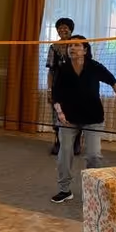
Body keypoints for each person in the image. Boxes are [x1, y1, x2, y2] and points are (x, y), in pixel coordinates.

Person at [50, 35, 116, 204]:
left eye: (76, 45)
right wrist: (60, 113)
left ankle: (93, 191)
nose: (72, 48)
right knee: (64, 153)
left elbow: (113, 81)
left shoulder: (94, 66)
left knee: (93, 155)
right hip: (68, 118)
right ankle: (64, 190)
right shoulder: (63, 69)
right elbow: (56, 95)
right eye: (70, 45)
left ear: (85, 50)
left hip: (93, 118)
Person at [45, 18, 81, 156]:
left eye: (65, 27)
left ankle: (76, 142)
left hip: (75, 89)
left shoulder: (76, 45)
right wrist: (49, 90)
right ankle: (58, 142)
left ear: (71, 29)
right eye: (59, 28)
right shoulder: (53, 47)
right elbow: (51, 71)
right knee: (57, 116)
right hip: (57, 88)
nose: (62, 30)